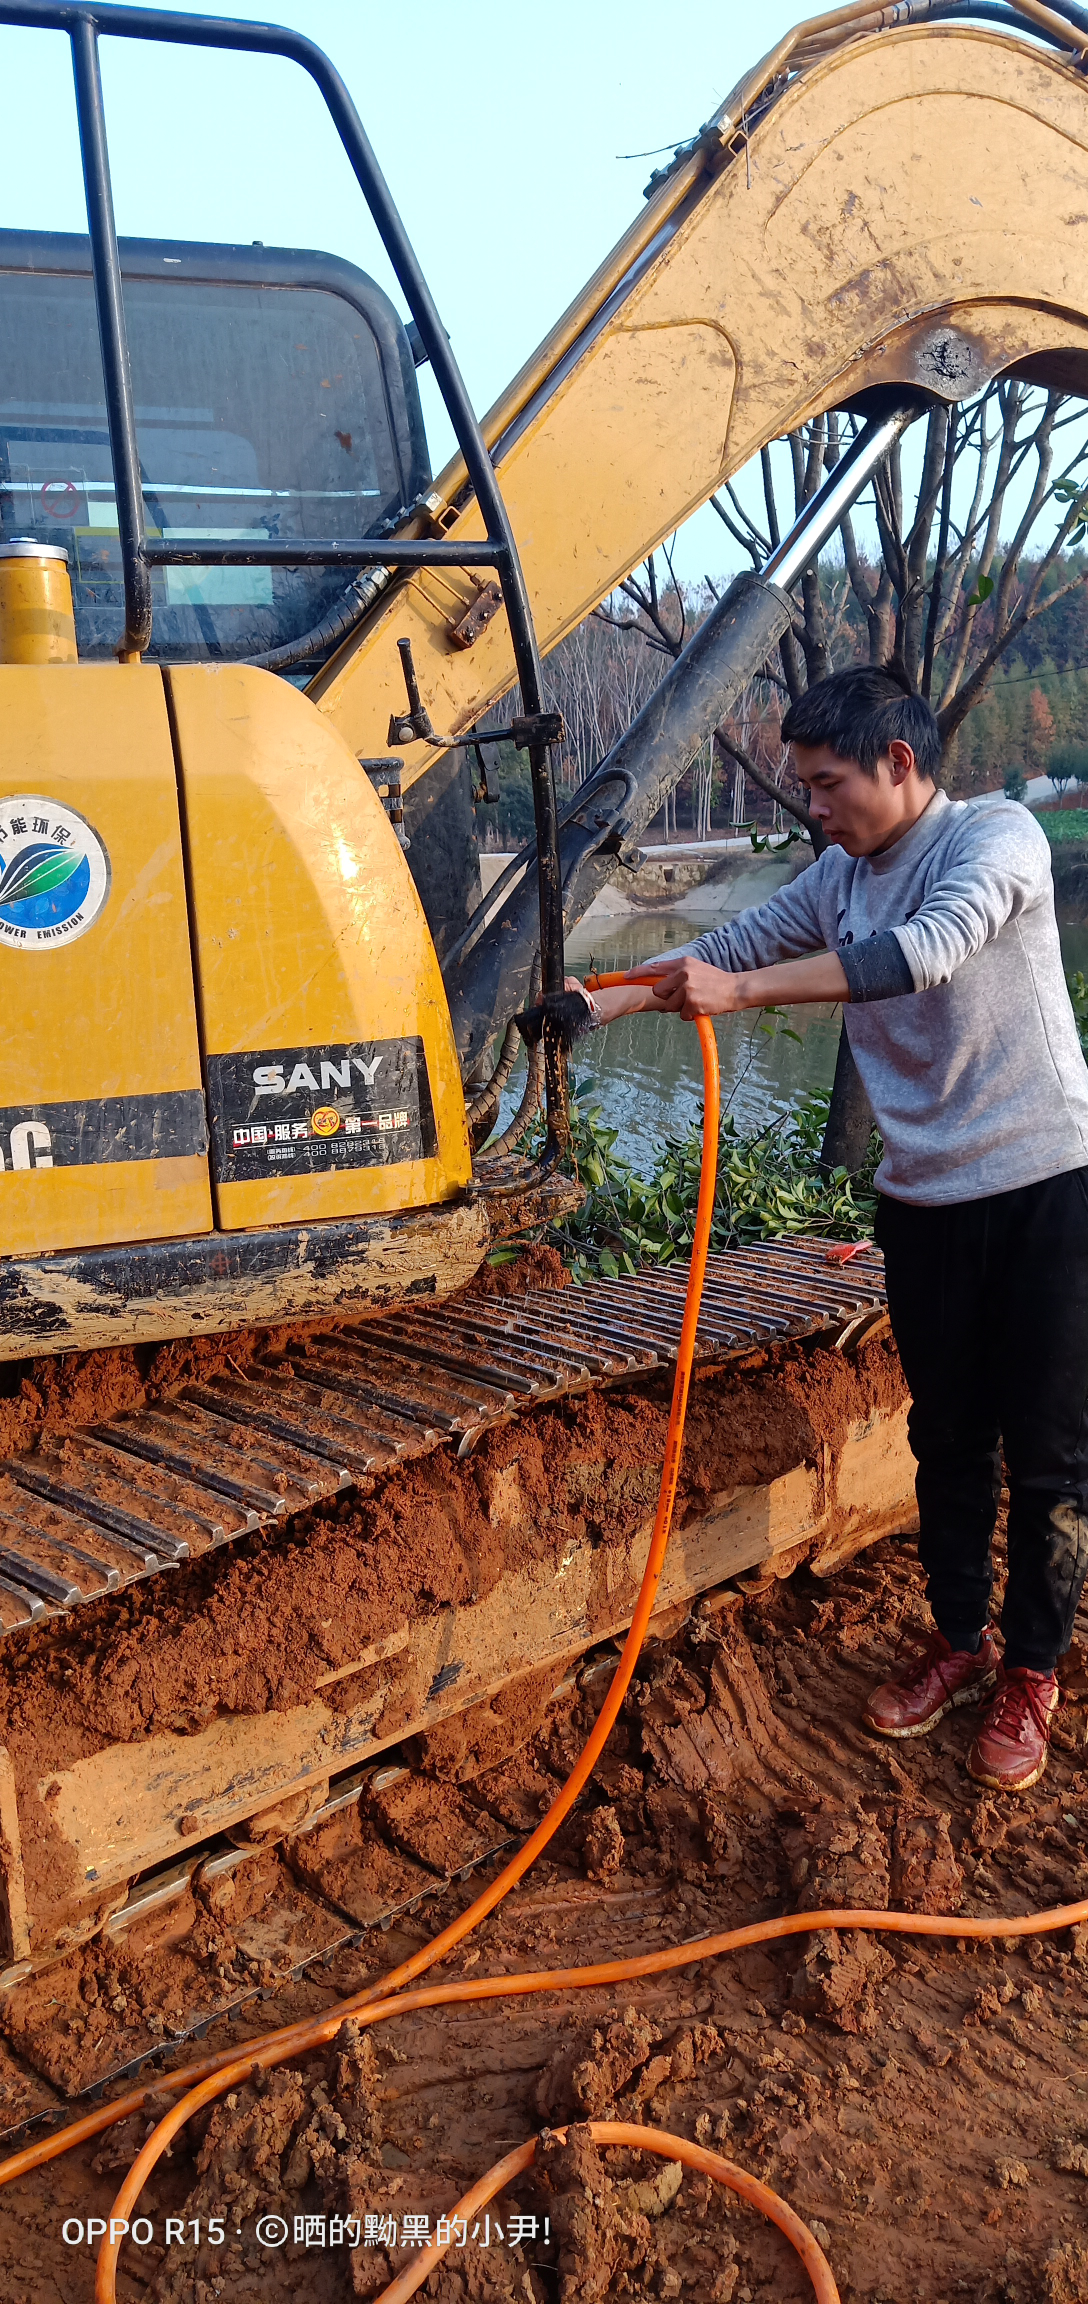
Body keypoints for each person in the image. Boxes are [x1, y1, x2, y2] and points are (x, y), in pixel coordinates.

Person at [573, 662, 1088, 1793]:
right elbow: (724, 953)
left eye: (824, 783)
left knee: (1050, 1456)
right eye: (803, 784)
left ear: (897, 764)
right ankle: (959, 1643)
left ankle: (1033, 1670)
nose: (810, 806)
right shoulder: (837, 877)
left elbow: (922, 955)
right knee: (946, 1438)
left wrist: (740, 999)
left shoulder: (993, 840)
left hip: (1044, 1187)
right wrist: (592, 1001)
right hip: (921, 1199)